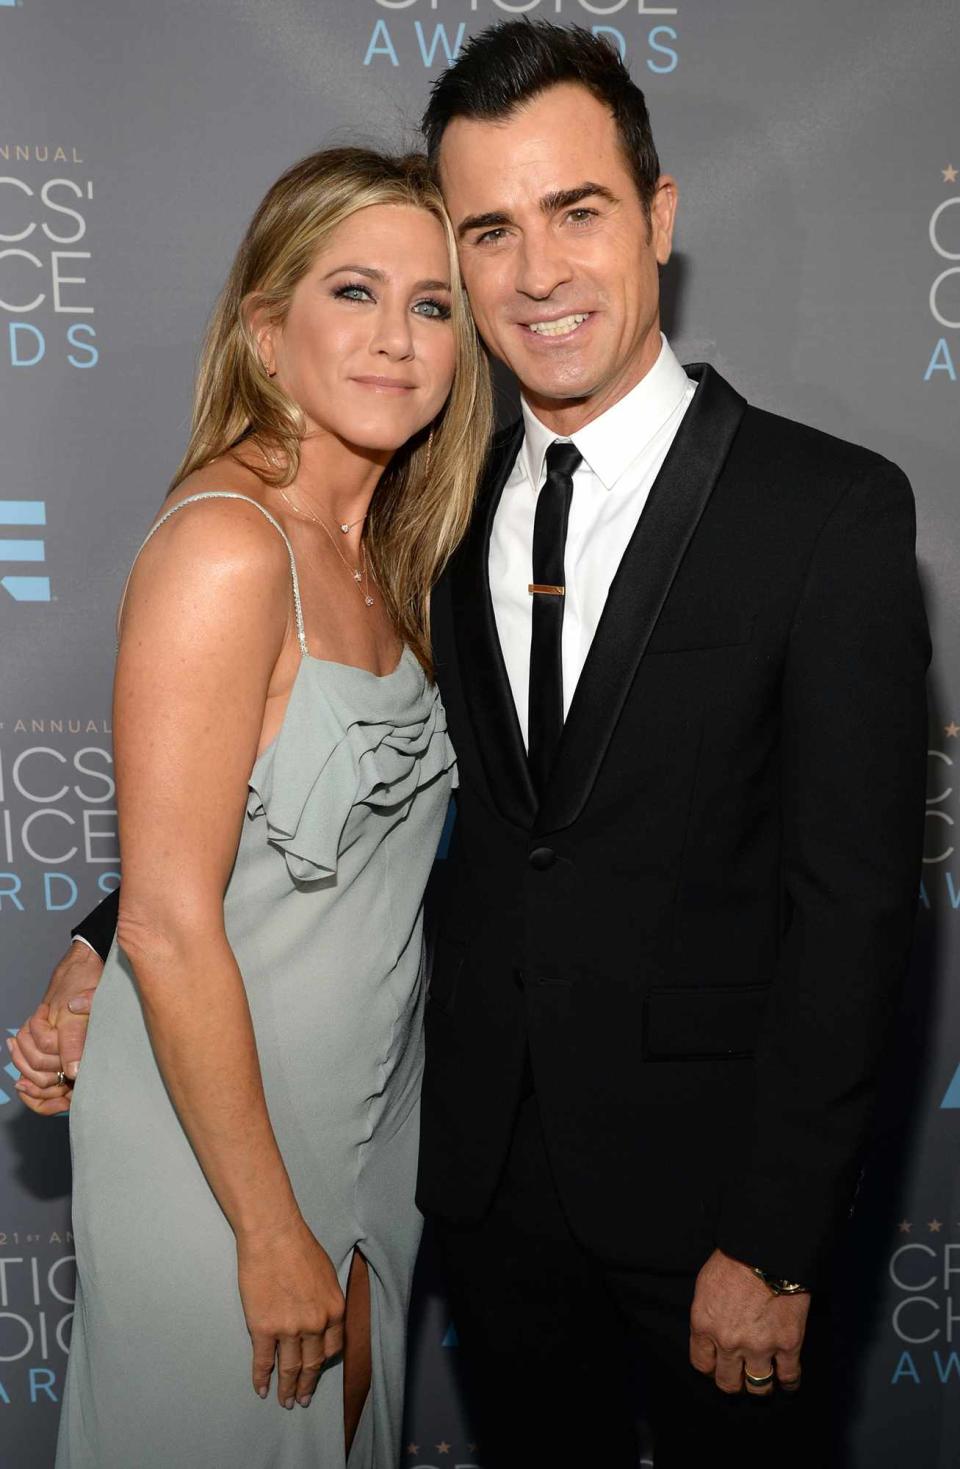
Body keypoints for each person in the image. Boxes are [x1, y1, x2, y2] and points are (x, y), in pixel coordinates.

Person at [16, 21, 929, 1469]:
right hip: (478, 1196)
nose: (538, 273)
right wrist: (107, 932)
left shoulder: (829, 512)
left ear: (659, 219)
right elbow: (260, 776)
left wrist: (780, 1241)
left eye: (577, 213)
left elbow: (862, 910)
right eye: (489, 232)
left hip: (711, 1223)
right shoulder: (431, 519)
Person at [10, 146, 491, 1469]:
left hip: (365, 1112)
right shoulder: (230, 547)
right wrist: (268, 1226)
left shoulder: (398, 548)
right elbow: (171, 917)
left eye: (434, 303)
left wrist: (83, 942)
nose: (399, 338)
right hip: (217, 1140)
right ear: (267, 333)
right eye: (355, 292)